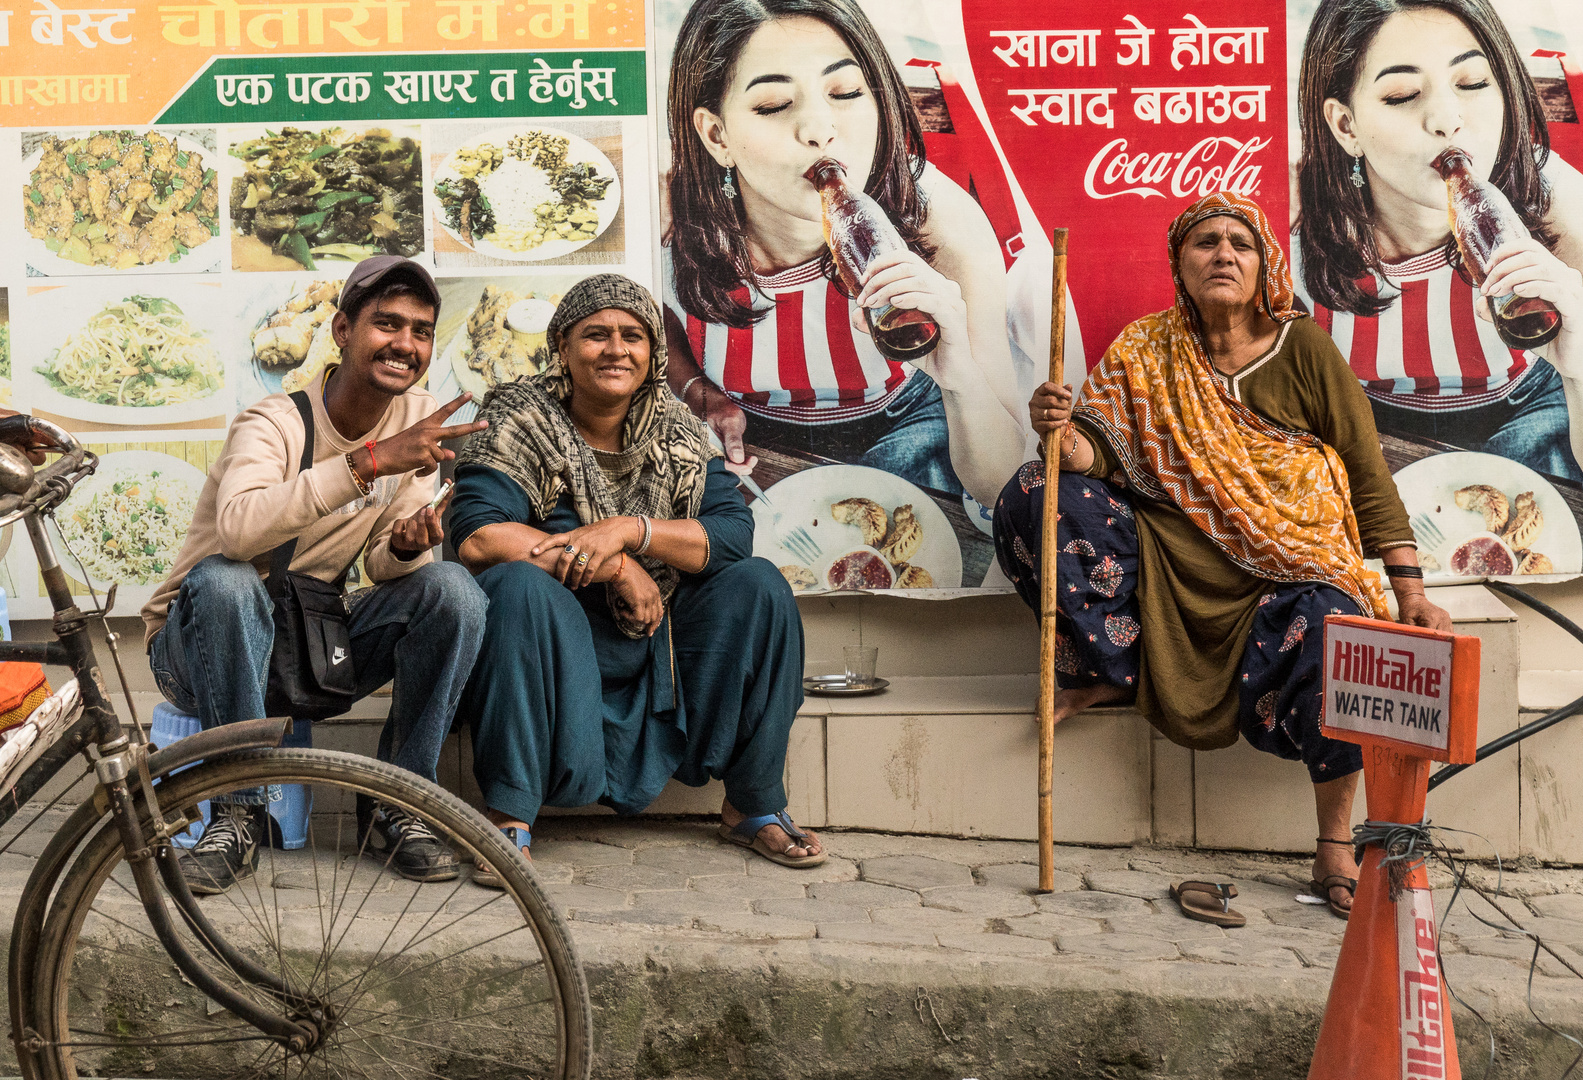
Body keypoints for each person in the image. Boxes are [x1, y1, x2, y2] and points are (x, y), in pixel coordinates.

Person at [994, 193, 1451, 920]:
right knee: (1038, 489)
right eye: (1205, 242)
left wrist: (1409, 590)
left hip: (1293, 568)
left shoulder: (1303, 347)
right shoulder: (1149, 347)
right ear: (1181, 263)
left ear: (1264, 261)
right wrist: (1056, 428)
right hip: (1174, 557)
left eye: (1240, 243)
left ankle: (1334, 845)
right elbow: (1094, 453)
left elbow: (1367, 471)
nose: (1224, 255)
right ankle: (1107, 670)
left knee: (1337, 636)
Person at [447, 273, 824, 878]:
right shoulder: (519, 417)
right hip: (556, 640)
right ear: (563, 348)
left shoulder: (676, 429)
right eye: (596, 334)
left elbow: (730, 534)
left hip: (661, 640)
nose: (616, 348)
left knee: (760, 586)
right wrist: (615, 567)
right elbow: (478, 536)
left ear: (652, 352)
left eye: (633, 335)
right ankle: (509, 815)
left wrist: (630, 531)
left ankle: (752, 804)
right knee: (515, 587)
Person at [142, 255, 489, 895]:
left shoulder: (417, 419)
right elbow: (242, 532)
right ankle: (236, 815)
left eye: (420, 330)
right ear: (340, 331)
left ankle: (401, 800)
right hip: (198, 645)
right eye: (386, 324)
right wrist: (368, 463)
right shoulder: (272, 421)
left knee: (454, 591)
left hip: (309, 638)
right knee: (228, 579)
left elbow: (384, 563)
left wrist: (409, 546)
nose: (405, 344)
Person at [662, 0, 1025, 509]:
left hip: (908, 424)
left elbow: (1005, 481)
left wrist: (961, 373)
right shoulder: (670, 221)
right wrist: (697, 389)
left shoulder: (939, 222)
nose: (818, 129)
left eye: (846, 92)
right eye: (772, 105)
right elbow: (654, 323)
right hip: (749, 440)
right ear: (717, 135)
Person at [1294, 0, 1583, 491]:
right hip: (1362, 428)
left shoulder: (1563, 209)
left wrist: (1581, 368)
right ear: (1346, 126)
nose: (1447, 119)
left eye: (1471, 84)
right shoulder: (1289, 223)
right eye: (1402, 94)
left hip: (1528, 415)